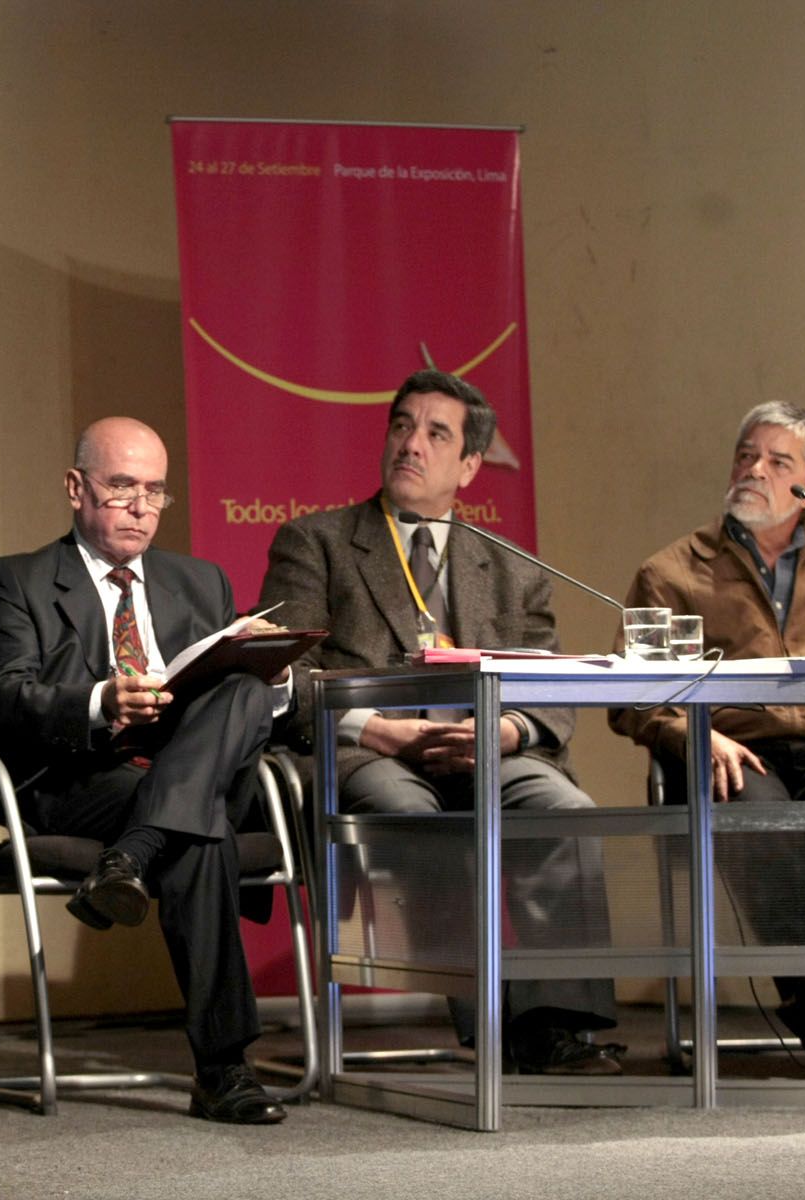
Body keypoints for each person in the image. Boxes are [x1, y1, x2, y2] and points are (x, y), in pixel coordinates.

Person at [257, 369, 620, 1075]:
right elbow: (278, 675)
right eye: (401, 426)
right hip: (372, 754)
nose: (411, 445)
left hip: (487, 749)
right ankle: (489, 1021)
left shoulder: (513, 569)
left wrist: (507, 732)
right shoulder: (317, 542)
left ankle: (556, 1027)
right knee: (417, 811)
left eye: (435, 434)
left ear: (471, 465)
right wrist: (375, 728)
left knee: (566, 810)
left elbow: (549, 685)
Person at [0, 416, 292, 1124]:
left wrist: (271, 665)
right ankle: (225, 1069)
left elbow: (243, 705)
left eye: (155, 491)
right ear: (76, 488)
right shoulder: (18, 580)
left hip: (189, 771)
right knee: (195, 827)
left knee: (244, 690)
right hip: (81, 778)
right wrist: (98, 699)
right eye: (122, 488)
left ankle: (134, 854)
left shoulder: (200, 581)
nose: (142, 507)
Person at [608, 401, 805, 1078]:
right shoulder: (672, 571)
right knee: (767, 820)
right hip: (735, 749)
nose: (753, 469)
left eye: (777, 461)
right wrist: (695, 735)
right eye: (745, 455)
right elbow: (632, 695)